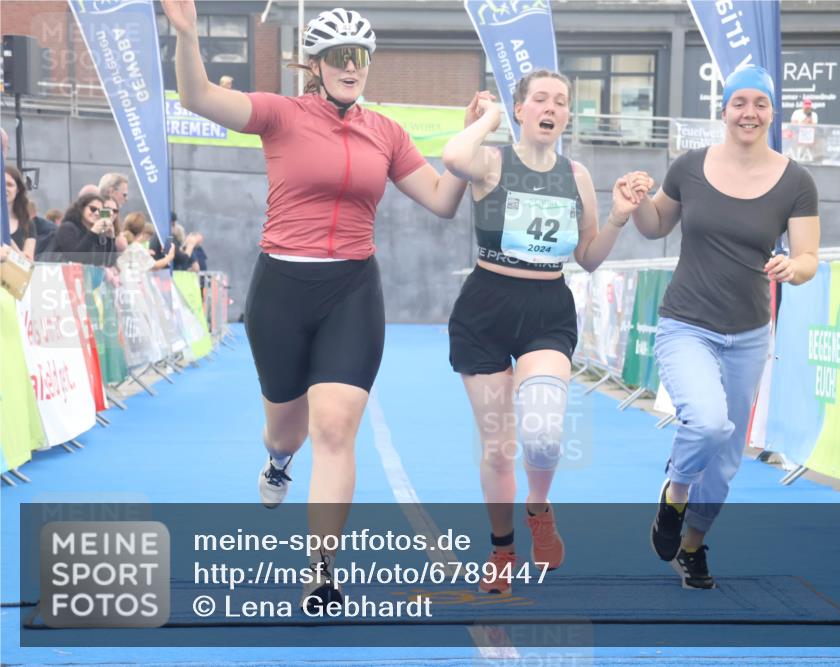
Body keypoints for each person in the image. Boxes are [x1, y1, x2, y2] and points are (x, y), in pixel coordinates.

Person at [161, 1, 472, 608]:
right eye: (339, 57)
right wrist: (188, 34)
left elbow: (441, 199)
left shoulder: (387, 132)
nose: (351, 67)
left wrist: (467, 146)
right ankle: (277, 461)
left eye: (360, 58)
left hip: (353, 290)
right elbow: (197, 97)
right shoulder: (281, 115)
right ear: (317, 64)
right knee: (289, 430)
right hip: (281, 287)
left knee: (335, 427)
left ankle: (321, 570)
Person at [442, 70, 651, 595]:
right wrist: (485, 119)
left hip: (547, 310)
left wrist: (620, 218)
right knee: (496, 449)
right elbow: (451, 158)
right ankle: (502, 548)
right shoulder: (490, 161)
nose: (551, 107)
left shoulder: (577, 175)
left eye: (560, 101)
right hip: (486, 308)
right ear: (520, 109)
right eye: (539, 99)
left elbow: (588, 257)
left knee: (542, 434)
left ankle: (538, 505)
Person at [632, 65, 820, 590]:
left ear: (772, 113)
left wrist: (793, 269)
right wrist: (634, 204)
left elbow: (807, 258)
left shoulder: (796, 181)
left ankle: (692, 547)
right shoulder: (689, 167)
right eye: (740, 102)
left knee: (726, 465)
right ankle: (673, 496)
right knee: (709, 423)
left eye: (761, 104)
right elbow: (654, 227)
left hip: (750, 333)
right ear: (723, 110)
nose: (749, 113)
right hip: (686, 323)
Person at [52, 194, 117, 266]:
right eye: (93, 209)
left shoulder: (97, 233)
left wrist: (110, 238)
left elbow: (108, 263)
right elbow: (75, 258)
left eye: (100, 211)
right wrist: (93, 232)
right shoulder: (67, 228)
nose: (97, 213)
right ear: (82, 208)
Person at [5, 166, 36, 260]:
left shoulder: (27, 224)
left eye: (9, 184)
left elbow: (28, 263)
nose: (3, 188)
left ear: (18, 189)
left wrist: (11, 246)